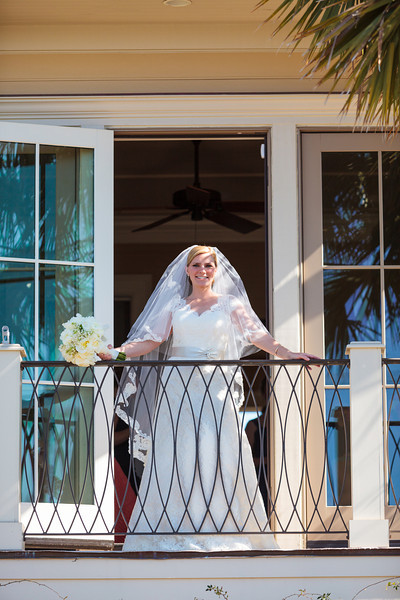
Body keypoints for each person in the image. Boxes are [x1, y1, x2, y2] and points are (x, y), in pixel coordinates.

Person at [99, 245, 318, 552]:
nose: (203, 271)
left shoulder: (230, 304)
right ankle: (174, 527)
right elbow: (151, 341)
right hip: (178, 387)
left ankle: (222, 526)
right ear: (187, 270)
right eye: (197, 265)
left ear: (217, 270)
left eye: (209, 266)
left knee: (220, 449)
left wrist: (287, 353)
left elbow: (259, 336)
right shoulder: (175, 306)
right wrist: (116, 353)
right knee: (178, 450)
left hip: (217, 385)